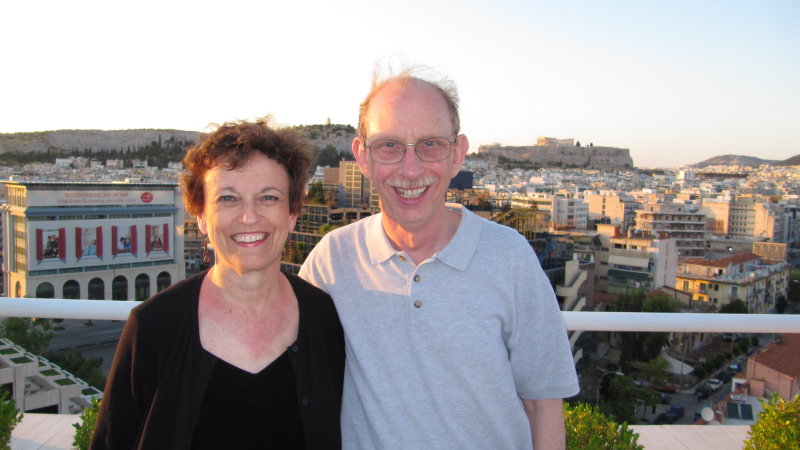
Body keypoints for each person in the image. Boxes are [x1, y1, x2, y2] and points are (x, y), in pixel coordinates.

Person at [299, 69, 579, 449]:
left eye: (429, 144)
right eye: (389, 146)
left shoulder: (510, 257)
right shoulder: (332, 261)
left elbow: (543, 403)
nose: (410, 169)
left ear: (457, 154)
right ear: (363, 157)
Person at [92, 120, 345, 449]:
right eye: (228, 199)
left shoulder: (323, 318)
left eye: (268, 197)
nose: (249, 217)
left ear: (292, 213)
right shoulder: (154, 327)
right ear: (200, 217)